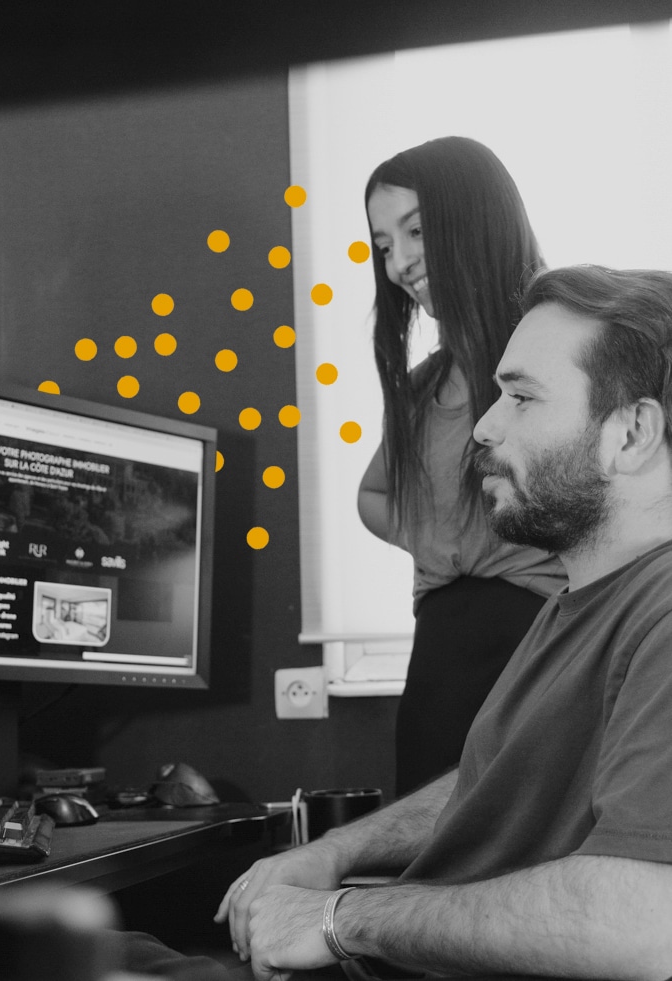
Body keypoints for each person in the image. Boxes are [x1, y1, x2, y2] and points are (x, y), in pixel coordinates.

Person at [214, 265, 672, 981]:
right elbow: (495, 785)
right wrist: (336, 853)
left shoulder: (663, 615)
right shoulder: (579, 604)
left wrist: (339, 919)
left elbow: (646, 924)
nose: (484, 426)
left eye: (521, 397)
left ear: (633, 433)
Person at [358, 136, 567, 795]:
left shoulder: (568, 344)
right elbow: (372, 495)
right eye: (383, 245)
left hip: (540, 640)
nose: (399, 263)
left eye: (416, 231)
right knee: (425, 843)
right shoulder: (424, 385)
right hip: (440, 659)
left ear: (474, 219)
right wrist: (444, 539)